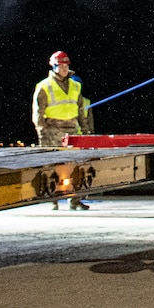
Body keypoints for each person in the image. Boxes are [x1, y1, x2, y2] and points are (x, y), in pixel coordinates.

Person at [32, 50, 92, 209]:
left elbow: (81, 111)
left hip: (72, 129)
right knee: (53, 166)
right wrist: (42, 131)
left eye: (66, 65)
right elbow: (38, 112)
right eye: (61, 65)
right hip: (52, 130)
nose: (64, 68)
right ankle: (53, 200)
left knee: (77, 165)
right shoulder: (44, 86)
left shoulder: (75, 86)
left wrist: (85, 132)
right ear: (54, 66)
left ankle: (75, 200)